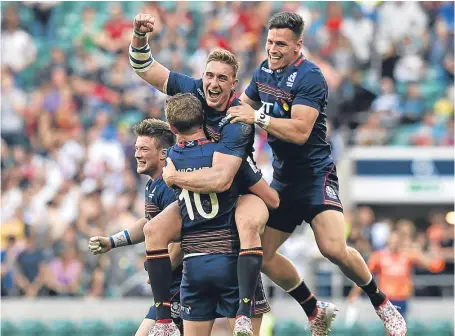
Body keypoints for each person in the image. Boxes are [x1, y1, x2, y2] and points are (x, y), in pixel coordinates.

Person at [129, 12, 337, 336]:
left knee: (249, 224)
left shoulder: (239, 118)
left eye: (221, 79)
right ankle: (165, 321)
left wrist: (174, 176)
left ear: (233, 85)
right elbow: (146, 68)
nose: (212, 83)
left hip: (236, 189)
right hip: (202, 196)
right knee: (157, 233)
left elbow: (222, 179)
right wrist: (140, 37)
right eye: (209, 76)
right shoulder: (193, 91)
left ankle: (249, 311)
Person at [227, 11, 407, 336]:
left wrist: (257, 118)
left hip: (316, 177)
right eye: (270, 41)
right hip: (283, 181)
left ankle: (383, 304)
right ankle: (314, 309)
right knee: (261, 255)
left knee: (333, 248)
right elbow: (240, 108)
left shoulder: (311, 76)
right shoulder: (264, 72)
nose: (273, 48)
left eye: (281, 43)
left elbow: (298, 130)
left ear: (298, 45)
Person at [88, 118, 271, 336]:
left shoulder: (172, 186)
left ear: (163, 153)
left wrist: (160, 271)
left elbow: (183, 234)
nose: (137, 154)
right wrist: (112, 241)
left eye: (144, 149)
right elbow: (151, 224)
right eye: (136, 148)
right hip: (176, 285)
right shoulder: (154, 186)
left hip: (184, 282)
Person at [162, 93, 268, 336]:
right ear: (204, 120)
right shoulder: (227, 156)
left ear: (171, 127)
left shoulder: (170, 161)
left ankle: (161, 319)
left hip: (194, 264)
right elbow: (270, 197)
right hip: (232, 261)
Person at [347, 231, 445, 320]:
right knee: (391, 327)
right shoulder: (378, 256)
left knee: (402, 327)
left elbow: (433, 266)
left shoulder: (408, 255)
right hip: (386, 299)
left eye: (395, 242)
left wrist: (437, 253)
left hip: (402, 297)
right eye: (391, 242)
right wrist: (354, 293)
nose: (393, 244)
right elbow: (364, 275)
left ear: (400, 243)